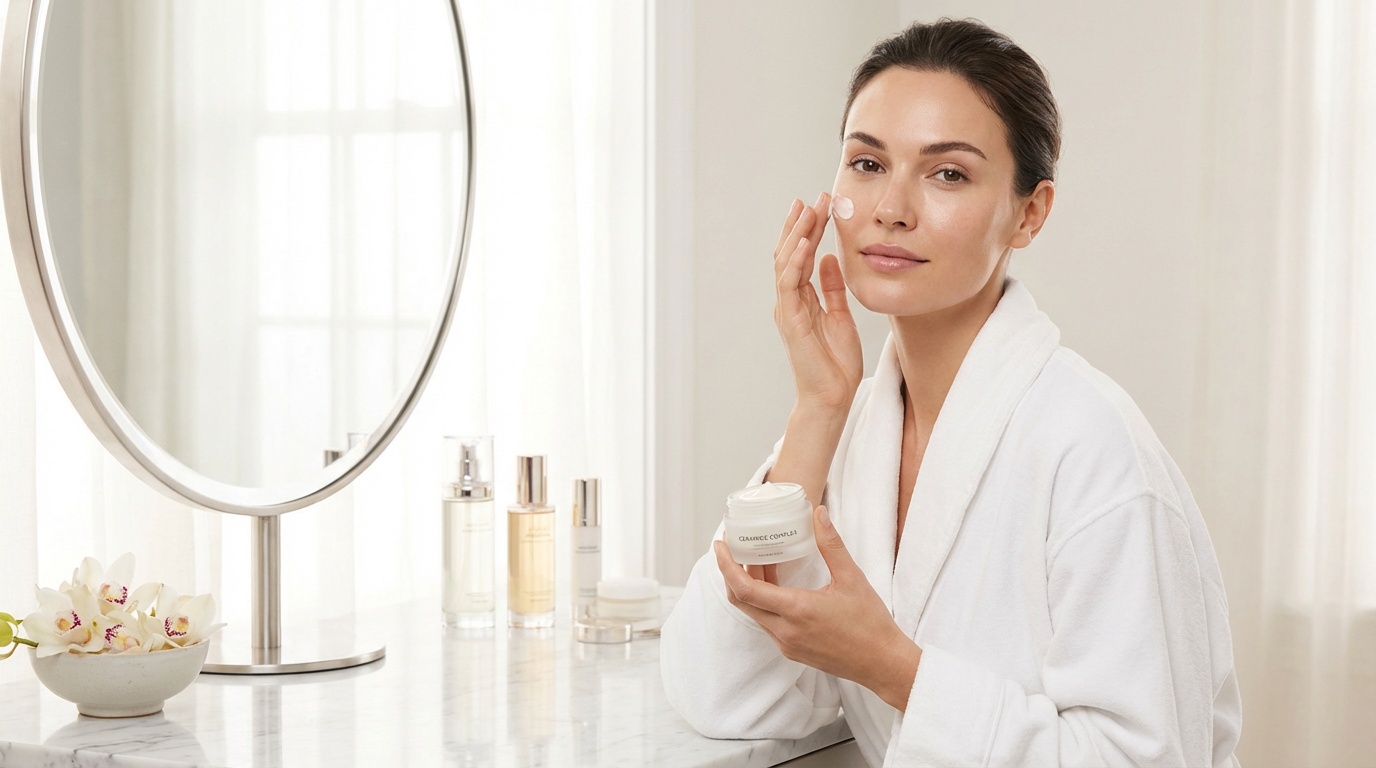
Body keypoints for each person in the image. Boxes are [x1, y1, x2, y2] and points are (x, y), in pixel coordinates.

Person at [660, 18, 1242, 768]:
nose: (891, 208)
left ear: (1029, 213)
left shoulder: (1092, 449)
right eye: (867, 164)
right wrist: (816, 410)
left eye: (948, 174)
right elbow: (722, 695)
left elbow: (1148, 759)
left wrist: (890, 665)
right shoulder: (856, 427)